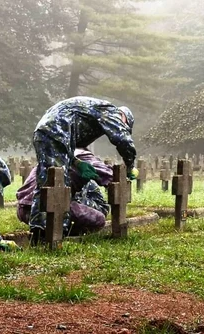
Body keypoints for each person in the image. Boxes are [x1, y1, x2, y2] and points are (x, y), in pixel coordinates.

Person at [30, 96, 137, 242]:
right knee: (60, 184)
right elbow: (123, 139)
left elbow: (65, 145)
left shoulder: (94, 109)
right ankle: (55, 234)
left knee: (47, 181)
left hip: (44, 132)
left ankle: (39, 231)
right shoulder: (112, 112)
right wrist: (130, 166)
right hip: (56, 131)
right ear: (124, 119)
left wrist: (76, 162)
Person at [17, 148, 113, 237]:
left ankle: (48, 228)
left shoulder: (51, 157)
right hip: (49, 209)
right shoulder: (85, 157)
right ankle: (62, 230)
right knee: (99, 219)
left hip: (26, 211)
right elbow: (108, 175)